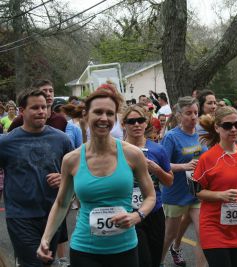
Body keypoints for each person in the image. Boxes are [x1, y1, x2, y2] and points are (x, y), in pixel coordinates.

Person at [36, 87, 156, 266]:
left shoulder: (132, 154)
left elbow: (150, 196)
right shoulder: (72, 159)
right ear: (86, 115)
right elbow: (62, 203)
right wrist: (45, 238)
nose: (104, 118)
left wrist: (137, 215)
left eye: (109, 113)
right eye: (98, 112)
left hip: (125, 248)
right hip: (84, 250)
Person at [0, 88, 73, 267]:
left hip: (53, 214)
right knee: (33, 263)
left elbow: (77, 173)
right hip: (20, 216)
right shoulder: (6, 142)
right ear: (22, 111)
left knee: (47, 261)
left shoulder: (61, 139)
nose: (41, 111)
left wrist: (64, 178)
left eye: (44, 107)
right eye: (35, 108)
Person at [193, 106, 237, 267]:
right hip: (214, 227)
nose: (233, 129)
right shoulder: (208, 158)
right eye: (227, 126)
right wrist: (219, 195)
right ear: (217, 127)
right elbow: (196, 191)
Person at [122, 105, 173, 267]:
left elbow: (169, 181)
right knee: (143, 260)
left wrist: (156, 169)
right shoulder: (117, 150)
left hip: (155, 211)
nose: (136, 124)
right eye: (131, 121)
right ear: (124, 124)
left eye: (140, 120)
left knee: (155, 259)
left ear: (146, 123)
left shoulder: (157, 149)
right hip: (129, 211)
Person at [160, 96, 207, 267]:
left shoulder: (201, 135)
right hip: (175, 192)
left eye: (196, 112)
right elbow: (162, 165)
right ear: (179, 115)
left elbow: (206, 159)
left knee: (204, 235)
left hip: (195, 190)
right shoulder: (171, 137)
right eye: (189, 113)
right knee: (169, 234)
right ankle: (159, 260)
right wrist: (185, 166)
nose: (193, 117)